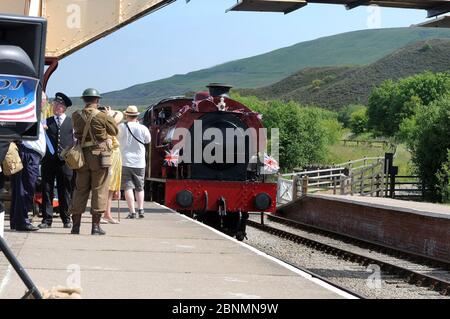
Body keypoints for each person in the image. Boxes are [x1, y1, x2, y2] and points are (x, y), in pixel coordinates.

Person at [69, 88, 118, 235]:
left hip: (81, 156)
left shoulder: (75, 115)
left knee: (80, 189)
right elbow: (114, 131)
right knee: (99, 189)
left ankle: (75, 226)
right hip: (98, 155)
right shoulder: (102, 116)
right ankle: (95, 227)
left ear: (84, 100)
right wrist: (109, 116)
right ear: (97, 100)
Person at [38, 92, 75, 229]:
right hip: (48, 160)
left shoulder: (71, 122)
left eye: (58, 104)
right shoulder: (46, 121)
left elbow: (75, 142)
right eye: (54, 104)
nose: (55, 106)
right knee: (47, 189)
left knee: (65, 190)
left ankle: (66, 218)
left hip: (65, 162)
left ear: (64, 107)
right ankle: (47, 219)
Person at [10, 121, 46, 232]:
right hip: (28, 152)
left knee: (21, 187)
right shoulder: (30, 110)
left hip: (28, 152)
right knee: (25, 188)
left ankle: (17, 220)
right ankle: (22, 221)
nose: (44, 102)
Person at [118, 105, 151, 219]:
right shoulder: (143, 128)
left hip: (125, 161)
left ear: (126, 115)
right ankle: (141, 209)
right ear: (136, 116)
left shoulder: (121, 127)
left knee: (128, 187)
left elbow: (116, 139)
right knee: (139, 187)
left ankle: (132, 212)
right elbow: (148, 140)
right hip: (139, 162)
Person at [103, 107, 123, 224]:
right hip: (110, 159)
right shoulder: (107, 131)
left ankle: (107, 213)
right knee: (107, 188)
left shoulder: (111, 130)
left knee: (110, 189)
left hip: (114, 159)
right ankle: (105, 213)